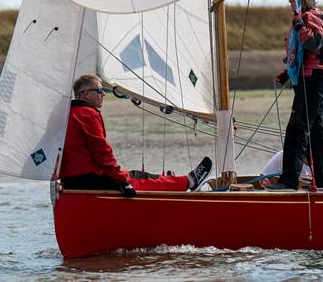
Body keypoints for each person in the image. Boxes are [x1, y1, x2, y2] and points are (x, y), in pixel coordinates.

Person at [58, 74, 212, 197]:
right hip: (91, 179)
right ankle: (189, 182)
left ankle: (176, 180)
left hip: (71, 180)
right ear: (86, 95)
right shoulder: (87, 114)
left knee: (136, 174)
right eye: (99, 90)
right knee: (139, 180)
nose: (103, 94)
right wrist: (121, 181)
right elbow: (102, 152)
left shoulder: (67, 114)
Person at [268, 0, 323, 190]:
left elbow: (314, 43)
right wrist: (287, 72)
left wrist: (298, 26)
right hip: (311, 76)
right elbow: (304, 53)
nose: (290, 2)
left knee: (297, 128)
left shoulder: (311, 16)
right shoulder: (306, 16)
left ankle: (288, 181)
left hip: (313, 78)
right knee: (315, 131)